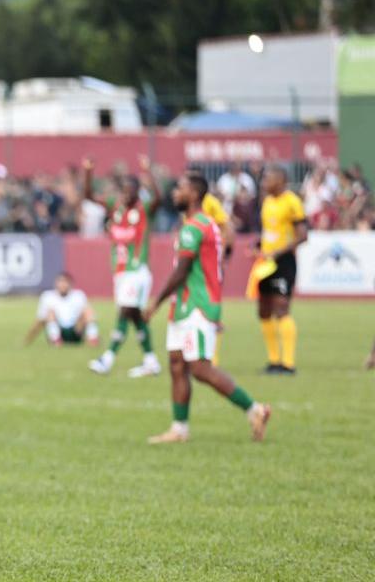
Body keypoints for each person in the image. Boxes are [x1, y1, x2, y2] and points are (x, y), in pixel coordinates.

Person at [143, 173, 271, 444]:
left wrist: (155, 302)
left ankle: (255, 409)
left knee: (199, 368)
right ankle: (179, 429)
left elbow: (182, 270)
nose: (175, 192)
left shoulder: (195, 227)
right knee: (177, 365)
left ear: (194, 194)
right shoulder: (201, 225)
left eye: (180, 187)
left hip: (196, 306)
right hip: (185, 304)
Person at [86, 158, 162, 378]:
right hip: (120, 272)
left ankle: (107, 358)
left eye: (131, 190)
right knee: (135, 316)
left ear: (139, 191)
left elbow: (159, 198)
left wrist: (150, 173)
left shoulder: (144, 209)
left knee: (125, 311)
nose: (126, 194)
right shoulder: (115, 206)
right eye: (124, 190)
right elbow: (89, 197)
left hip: (136, 271)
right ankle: (151, 360)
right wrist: (88, 172)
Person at [256, 166, 307, 375]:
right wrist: (258, 246)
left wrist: (279, 252)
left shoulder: (292, 201)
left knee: (282, 308)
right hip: (265, 263)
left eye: (268, 178)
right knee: (264, 310)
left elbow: (303, 235)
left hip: (284, 262)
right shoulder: (267, 201)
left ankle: (288, 363)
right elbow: (269, 231)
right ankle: (274, 360)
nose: (264, 182)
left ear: (281, 180)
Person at [198, 172, 235, 366]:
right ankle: (197, 354)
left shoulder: (210, 202)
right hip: (195, 264)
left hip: (209, 263)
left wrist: (223, 255)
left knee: (211, 305)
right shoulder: (189, 208)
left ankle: (212, 358)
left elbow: (227, 226)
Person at [25, 272, 98, 346]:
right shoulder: (47, 296)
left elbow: (89, 317)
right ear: (56, 284)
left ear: (70, 284)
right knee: (50, 313)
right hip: (58, 329)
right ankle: (56, 340)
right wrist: (29, 338)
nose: (63, 285)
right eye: (60, 282)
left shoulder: (78, 295)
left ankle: (93, 339)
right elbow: (40, 321)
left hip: (75, 330)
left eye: (65, 282)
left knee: (88, 311)